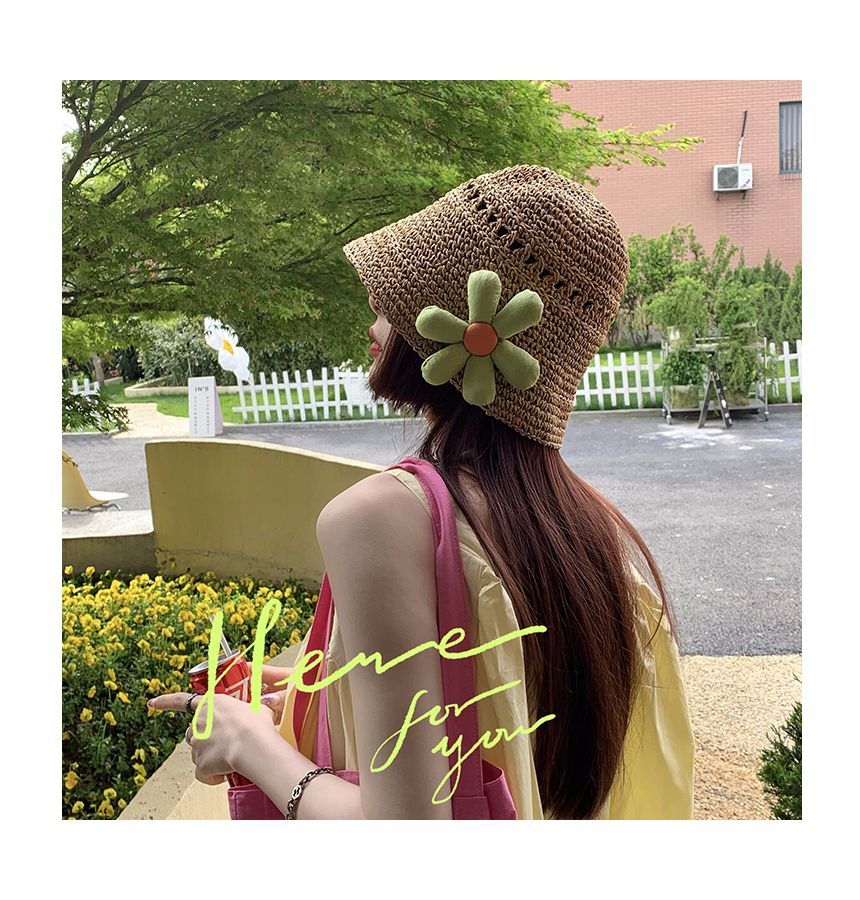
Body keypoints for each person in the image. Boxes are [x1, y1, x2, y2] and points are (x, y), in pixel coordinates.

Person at [149, 165, 695, 819]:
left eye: (396, 296)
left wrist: (246, 741)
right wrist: (327, 684)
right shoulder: (583, 529)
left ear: (458, 334)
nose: (373, 315)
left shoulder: (380, 517)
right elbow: (504, 700)